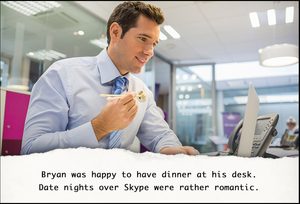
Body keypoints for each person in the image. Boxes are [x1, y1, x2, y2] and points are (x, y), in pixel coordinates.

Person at [21, 1, 199, 156]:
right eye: (143, 38)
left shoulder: (141, 90)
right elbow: (31, 147)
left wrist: (172, 149)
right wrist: (98, 127)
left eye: (153, 43)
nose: (149, 51)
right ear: (115, 32)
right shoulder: (62, 74)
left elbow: (160, 135)